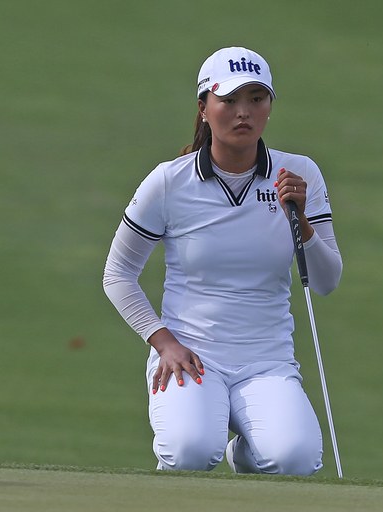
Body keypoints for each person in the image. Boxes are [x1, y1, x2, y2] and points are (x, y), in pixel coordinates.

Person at [102, 46, 343, 475]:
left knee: (296, 460)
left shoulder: (299, 174)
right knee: (190, 451)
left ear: (269, 106)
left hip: (268, 362)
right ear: (204, 108)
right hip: (189, 356)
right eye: (228, 100)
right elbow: (118, 275)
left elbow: (326, 281)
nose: (243, 112)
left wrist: (302, 221)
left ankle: (244, 455)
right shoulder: (170, 181)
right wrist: (163, 343)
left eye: (256, 98)